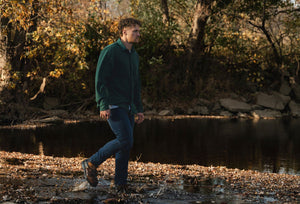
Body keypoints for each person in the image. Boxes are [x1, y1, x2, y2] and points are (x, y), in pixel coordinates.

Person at [81, 18, 144, 190]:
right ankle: (91, 163)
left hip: (129, 106)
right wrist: (103, 104)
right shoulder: (110, 51)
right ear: (124, 32)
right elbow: (100, 80)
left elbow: (136, 84)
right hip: (114, 104)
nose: (139, 34)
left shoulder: (134, 55)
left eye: (139, 31)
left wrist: (138, 109)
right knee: (125, 139)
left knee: (126, 144)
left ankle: (120, 183)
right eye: (135, 31)